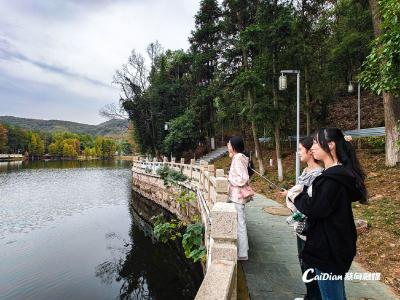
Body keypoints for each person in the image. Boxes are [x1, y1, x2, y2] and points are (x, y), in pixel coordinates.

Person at [294, 128, 367, 300]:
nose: (311, 147)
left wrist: (297, 196)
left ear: (331, 145)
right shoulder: (338, 176)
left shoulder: (332, 180)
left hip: (328, 249)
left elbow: (314, 208)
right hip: (336, 245)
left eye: (316, 143)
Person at [279, 136, 323, 300]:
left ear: (310, 152)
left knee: (310, 265)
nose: (297, 153)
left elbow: (310, 202)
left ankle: (314, 297)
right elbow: (300, 193)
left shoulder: (318, 175)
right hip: (300, 227)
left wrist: (293, 197)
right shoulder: (305, 171)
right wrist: (289, 194)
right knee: (303, 262)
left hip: (309, 228)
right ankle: (309, 295)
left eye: (300, 150)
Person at [227, 136, 253, 261]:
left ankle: (242, 254)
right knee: (240, 224)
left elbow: (243, 178)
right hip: (237, 196)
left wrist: (230, 179)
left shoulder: (238, 158)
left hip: (237, 196)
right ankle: (242, 251)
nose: (227, 145)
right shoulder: (239, 157)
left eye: (229, 143)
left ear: (233, 146)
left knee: (240, 225)